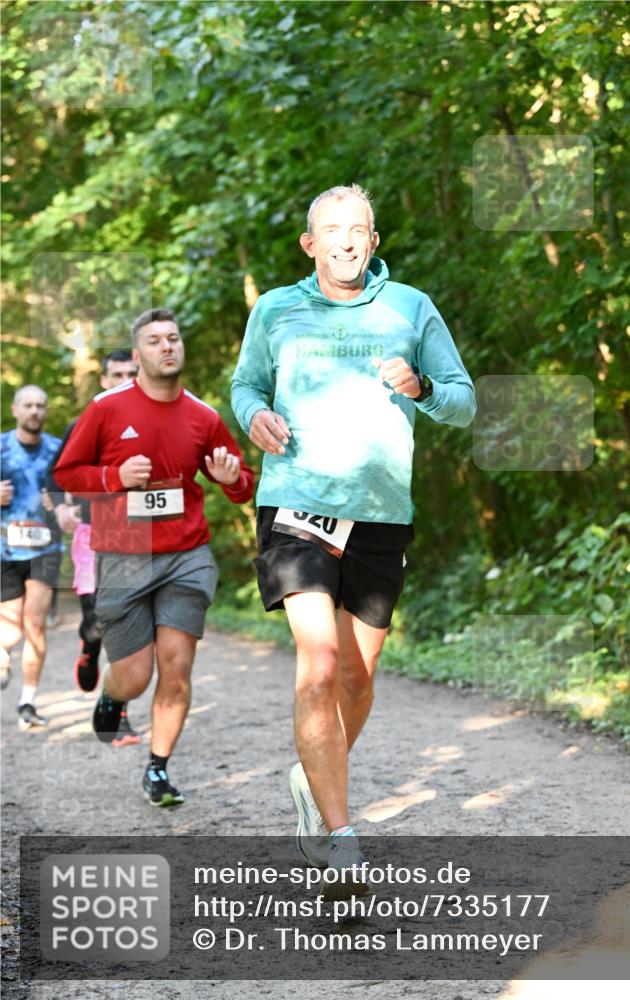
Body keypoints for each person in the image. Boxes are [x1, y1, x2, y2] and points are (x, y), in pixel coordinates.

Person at [231, 184, 476, 888]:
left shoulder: (410, 308)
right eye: (331, 230)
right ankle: (340, 843)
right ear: (310, 244)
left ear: (373, 242)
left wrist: (422, 388)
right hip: (295, 502)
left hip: (378, 511)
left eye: (358, 229)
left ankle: (313, 780)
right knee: (315, 664)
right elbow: (246, 385)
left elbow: (461, 402)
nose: (344, 240)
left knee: (353, 678)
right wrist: (253, 416)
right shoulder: (275, 308)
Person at [55, 308, 254, 806]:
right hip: (123, 556)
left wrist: (233, 481)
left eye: (173, 338)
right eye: (154, 340)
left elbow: (243, 483)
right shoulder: (105, 409)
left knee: (177, 666)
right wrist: (114, 479)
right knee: (136, 676)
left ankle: (158, 769)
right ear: (138, 353)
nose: (167, 346)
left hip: (186, 554)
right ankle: (112, 694)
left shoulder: (203, 417)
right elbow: (67, 472)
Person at [45, 349, 141, 747]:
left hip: (137, 538)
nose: (124, 380)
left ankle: (118, 716)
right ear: (102, 380)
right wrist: (62, 509)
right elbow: (55, 473)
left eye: (131, 373)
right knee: (96, 622)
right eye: (116, 374)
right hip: (89, 532)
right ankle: (88, 647)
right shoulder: (85, 421)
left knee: (129, 628)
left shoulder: (150, 419)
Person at [1, 385, 63, 729]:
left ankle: (27, 701)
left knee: (35, 623)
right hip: (5, 548)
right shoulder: (1, 448)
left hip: (46, 548)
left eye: (40, 405)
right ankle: (3, 655)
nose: (35, 411)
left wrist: (63, 502)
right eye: (28, 405)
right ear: (15, 410)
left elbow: (74, 496)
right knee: (8, 630)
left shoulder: (57, 450)